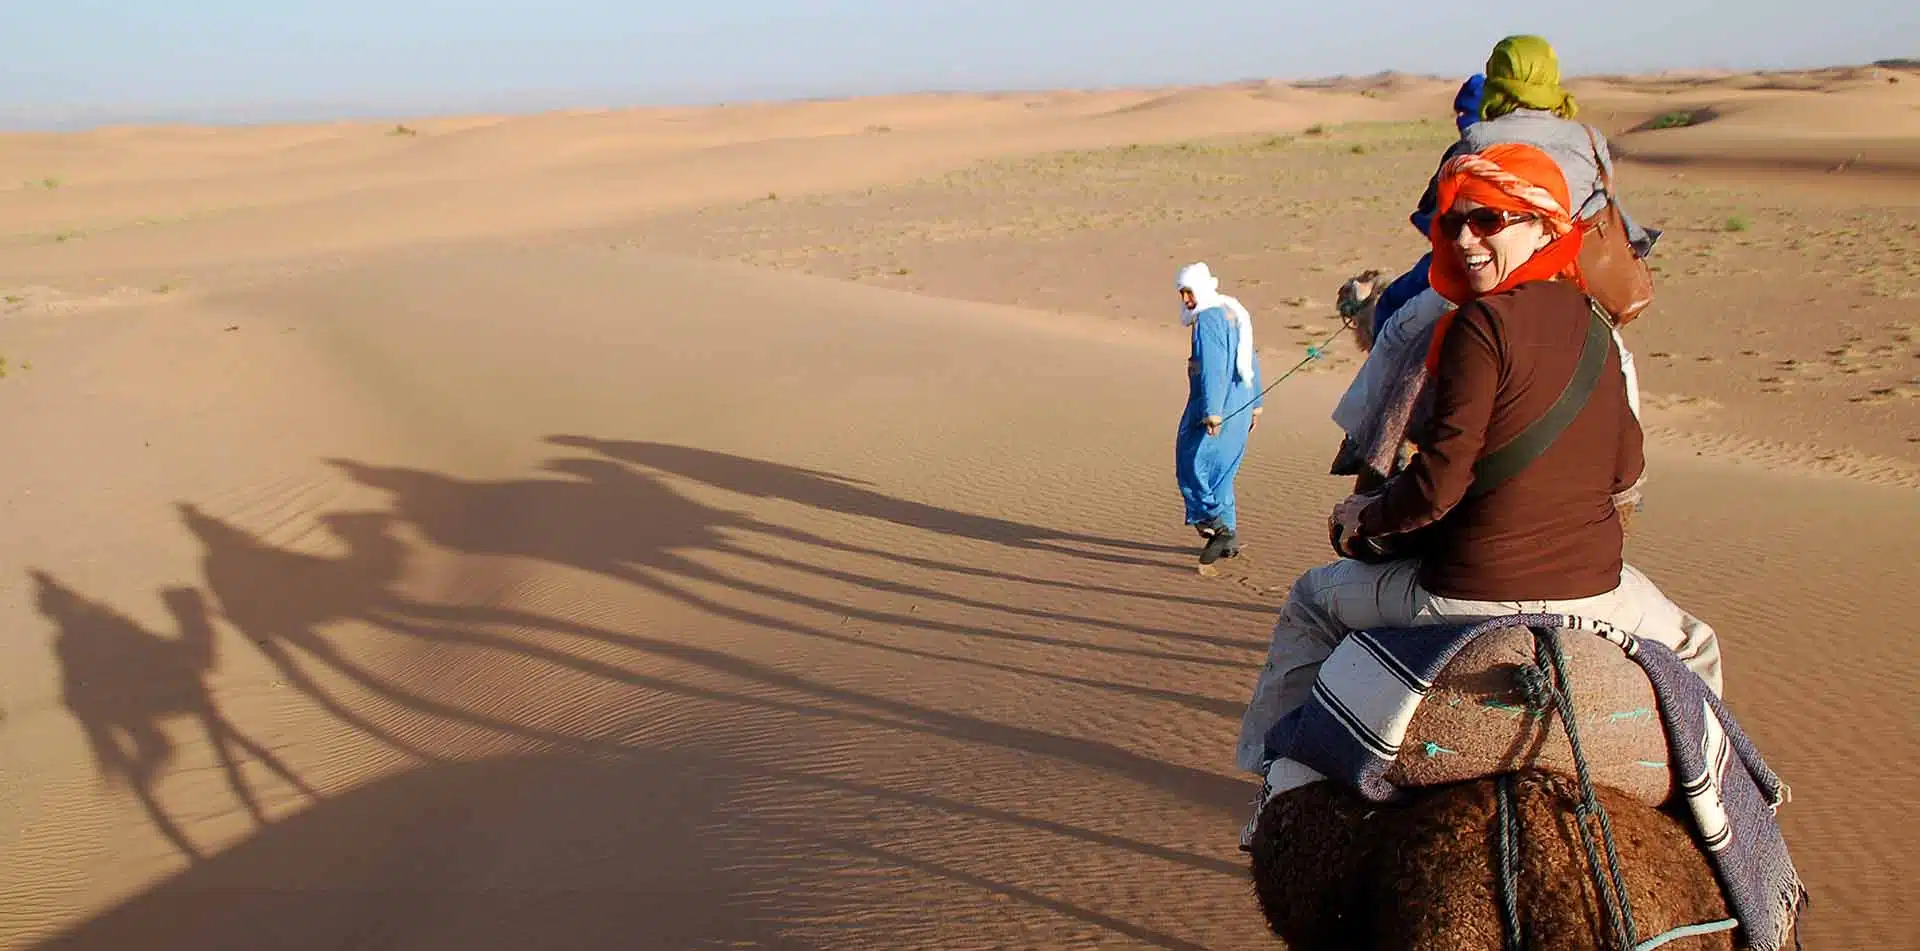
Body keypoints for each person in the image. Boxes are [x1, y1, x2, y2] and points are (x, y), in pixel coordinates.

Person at [1234, 144, 1722, 796]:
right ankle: (1717, 806)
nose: (1465, 237)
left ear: (1547, 227)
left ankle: (1277, 790)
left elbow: (1436, 487)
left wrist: (1363, 515)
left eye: (1491, 219)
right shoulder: (1598, 328)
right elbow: (1625, 471)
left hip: (1467, 590)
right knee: (1696, 643)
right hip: (1599, 595)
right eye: (1454, 222)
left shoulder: (1479, 325)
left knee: (1310, 602)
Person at [1174, 262, 1264, 568]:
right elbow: (1250, 356)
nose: (1186, 300)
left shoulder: (1209, 318)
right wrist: (1256, 402)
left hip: (1217, 405)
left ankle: (1216, 526)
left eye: (1189, 292)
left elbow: (1213, 366)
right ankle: (1230, 537)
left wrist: (1212, 412)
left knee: (1191, 464)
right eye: (1181, 293)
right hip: (1241, 401)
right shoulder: (1232, 311)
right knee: (1223, 473)